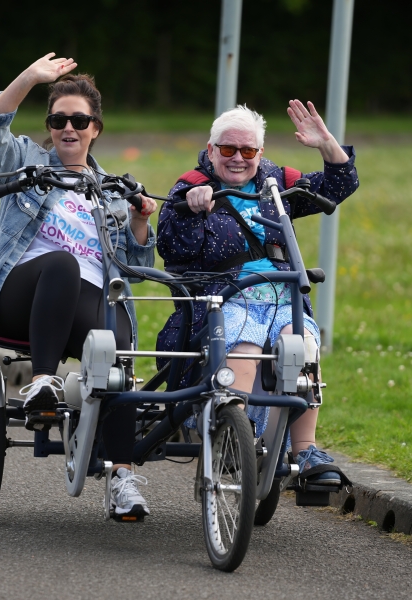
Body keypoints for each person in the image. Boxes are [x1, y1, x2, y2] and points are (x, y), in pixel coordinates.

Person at [0, 53, 157, 519]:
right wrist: (29, 78)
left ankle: (122, 479)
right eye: (58, 119)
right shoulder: (27, 161)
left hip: (83, 304)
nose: (68, 128)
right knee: (64, 265)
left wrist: (137, 221)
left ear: (95, 128)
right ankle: (42, 382)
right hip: (18, 294)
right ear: (49, 125)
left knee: (119, 349)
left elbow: (134, 269)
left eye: (79, 120)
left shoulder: (114, 189)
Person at [156, 101, 359, 486]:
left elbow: (340, 185)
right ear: (211, 148)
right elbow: (170, 248)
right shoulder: (192, 186)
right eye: (227, 149)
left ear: (260, 153)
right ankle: (239, 434)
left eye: (247, 151)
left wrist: (325, 143)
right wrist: (191, 211)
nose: (237, 158)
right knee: (245, 348)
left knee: (302, 349)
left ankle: (306, 450)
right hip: (224, 297)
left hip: (283, 297)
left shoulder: (276, 182)